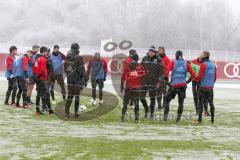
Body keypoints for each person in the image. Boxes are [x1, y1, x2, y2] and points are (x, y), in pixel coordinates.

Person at [163, 50, 195, 123]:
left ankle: (165, 117)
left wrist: (167, 82)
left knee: (166, 100)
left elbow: (166, 72)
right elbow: (193, 74)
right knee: (181, 103)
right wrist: (187, 81)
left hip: (174, 85)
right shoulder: (186, 63)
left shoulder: (173, 62)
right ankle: (178, 119)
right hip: (183, 86)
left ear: (176, 55)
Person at [121, 49, 149, 118]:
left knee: (125, 103)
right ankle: (136, 118)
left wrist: (121, 85)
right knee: (136, 103)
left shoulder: (127, 66)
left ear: (132, 58)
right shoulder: (141, 67)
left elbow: (123, 77)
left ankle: (122, 117)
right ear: (137, 59)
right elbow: (143, 77)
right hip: (136, 88)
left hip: (128, 87)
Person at [64, 43, 86, 118]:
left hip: (70, 80)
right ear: (77, 49)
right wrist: (83, 79)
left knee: (69, 96)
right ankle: (75, 113)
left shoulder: (67, 57)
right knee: (77, 96)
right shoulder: (79, 58)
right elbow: (82, 70)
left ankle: (66, 114)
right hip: (77, 80)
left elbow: (65, 69)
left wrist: (69, 76)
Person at [33, 46, 54, 115]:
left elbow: (34, 68)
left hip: (38, 78)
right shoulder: (43, 59)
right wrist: (39, 77)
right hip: (42, 79)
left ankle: (37, 110)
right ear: (44, 52)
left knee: (39, 94)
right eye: (46, 51)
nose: (47, 52)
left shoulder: (37, 58)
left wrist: (36, 78)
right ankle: (49, 111)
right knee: (47, 94)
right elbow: (42, 70)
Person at [196, 51, 216, 124]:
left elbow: (200, 76)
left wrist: (197, 80)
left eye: (201, 55)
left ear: (205, 56)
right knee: (211, 103)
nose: (200, 56)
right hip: (210, 87)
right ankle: (212, 120)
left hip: (203, 86)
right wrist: (211, 84)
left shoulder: (203, 65)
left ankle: (200, 120)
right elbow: (215, 77)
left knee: (200, 102)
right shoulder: (213, 65)